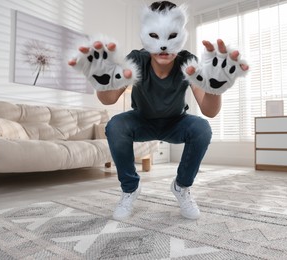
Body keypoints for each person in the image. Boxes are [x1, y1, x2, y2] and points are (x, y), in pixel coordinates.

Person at [68, 1, 249, 221]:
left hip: (176, 122)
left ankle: (181, 187)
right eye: (155, 35)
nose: (163, 45)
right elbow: (110, 99)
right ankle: (130, 188)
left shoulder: (188, 61)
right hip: (141, 120)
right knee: (115, 125)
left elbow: (209, 111)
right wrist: (101, 80)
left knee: (202, 128)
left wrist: (215, 87)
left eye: (171, 35)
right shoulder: (136, 59)